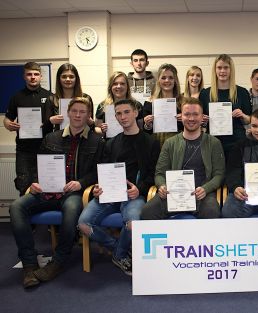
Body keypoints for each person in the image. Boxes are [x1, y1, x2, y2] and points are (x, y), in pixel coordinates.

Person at [10, 97, 104, 288]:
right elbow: (38, 166)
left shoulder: (97, 141)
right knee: (16, 206)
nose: (78, 115)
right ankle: (29, 263)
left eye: (83, 112)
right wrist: (34, 182)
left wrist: (81, 183)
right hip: (46, 191)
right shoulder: (51, 138)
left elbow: (99, 170)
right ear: (68, 113)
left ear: (88, 116)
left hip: (73, 193)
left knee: (71, 209)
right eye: (74, 111)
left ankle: (58, 261)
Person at [78, 99, 160, 276]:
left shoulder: (151, 142)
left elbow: (154, 174)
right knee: (83, 224)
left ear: (136, 113)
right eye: (119, 114)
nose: (123, 117)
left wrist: (140, 189)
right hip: (109, 194)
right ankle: (119, 251)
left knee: (133, 224)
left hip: (133, 195)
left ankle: (119, 254)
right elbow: (102, 171)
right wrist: (97, 189)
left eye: (126, 112)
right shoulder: (110, 143)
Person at [141, 97, 224, 220]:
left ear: (202, 117)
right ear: (181, 116)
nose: (191, 118)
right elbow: (159, 173)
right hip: (173, 194)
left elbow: (219, 174)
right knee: (148, 211)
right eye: (187, 114)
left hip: (201, 195)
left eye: (195, 114)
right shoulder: (170, 143)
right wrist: (162, 185)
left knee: (211, 211)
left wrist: (206, 189)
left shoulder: (214, 143)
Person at [3, 62, 53, 196]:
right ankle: (24, 213)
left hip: (45, 148)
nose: (32, 77)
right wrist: (8, 125)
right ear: (24, 76)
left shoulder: (49, 96)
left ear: (40, 76)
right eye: (29, 74)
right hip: (24, 150)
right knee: (24, 184)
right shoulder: (16, 97)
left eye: (36, 74)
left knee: (45, 185)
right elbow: (7, 119)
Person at [199, 54, 251, 156]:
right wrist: (203, 120)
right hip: (213, 143)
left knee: (235, 172)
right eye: (219, 67)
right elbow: (201, 122)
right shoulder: (205, 93)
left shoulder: (242, 92)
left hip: (237, 143)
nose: (222, 71)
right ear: (215, 70)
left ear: (231, 70)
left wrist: (242, 115)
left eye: (226, 67)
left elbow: (249, 120)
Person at [143, 63, 184, 148]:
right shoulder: (149, 103)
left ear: (175, 80)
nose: (167, 81)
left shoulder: (183, 103)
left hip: (178, 147)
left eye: (171, 78)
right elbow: (145, 133)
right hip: (156, 147)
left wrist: (186, 120)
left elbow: (191, 128)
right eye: (163, 78)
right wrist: (147, 125)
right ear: (158, 80)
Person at [46, 63, 94, 131]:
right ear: (59, 79)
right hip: (59, 139)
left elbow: (92, 128)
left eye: (71, 77)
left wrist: (91, 122)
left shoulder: (86, 98)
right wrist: (50, 121)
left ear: (76, 79)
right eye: (64, 76)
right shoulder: (52, 99)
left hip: (82, 139)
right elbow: (45, 128)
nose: (68, 79)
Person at [95, 71, 143, 136]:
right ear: (110, 87)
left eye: (122, 83)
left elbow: (141, 128)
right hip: (110, 143)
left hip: (133, 143)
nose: (119, 86)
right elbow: (96, 128)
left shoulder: (136, 105)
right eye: (115, 84)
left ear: (127, 86)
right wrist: (102, 130)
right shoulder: (103, 106)